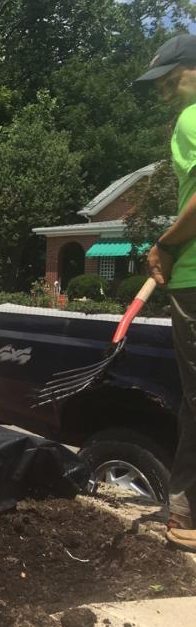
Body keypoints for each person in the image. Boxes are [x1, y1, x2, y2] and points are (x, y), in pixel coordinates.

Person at [137, 33, 196, 552]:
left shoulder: (191, 119)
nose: (164, 93)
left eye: (170, 79)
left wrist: (165, 243)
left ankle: (186, 515)